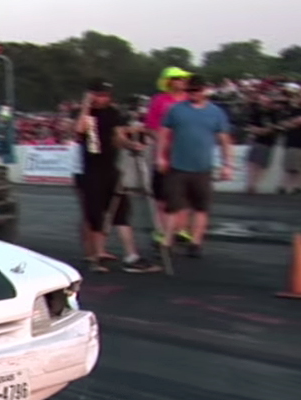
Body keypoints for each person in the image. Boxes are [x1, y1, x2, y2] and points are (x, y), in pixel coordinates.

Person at [72, 79, 159, 274]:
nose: (104, 98)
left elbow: (118, 135)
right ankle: (94, 255)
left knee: (121, 211)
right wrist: (86, 106)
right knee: (94, 214)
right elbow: (78, 130)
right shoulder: (85, 113)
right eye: (99, 94)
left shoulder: (113, 113)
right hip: (89, 170)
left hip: (110, 168)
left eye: (106, 94)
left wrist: (130, 144)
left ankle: (131, 255)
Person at [155, 75, 233, 259]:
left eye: (196, 90)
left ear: (204, 90)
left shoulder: (216, 113)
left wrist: (227, 164)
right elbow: (163, 134)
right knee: (172, 206)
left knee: (201, 207)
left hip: (202, 168)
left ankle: (196, 242)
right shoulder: (176, 110)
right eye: (190, 90)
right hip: (178, 166)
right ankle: (167, 241)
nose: (193, 94)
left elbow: (224, 140)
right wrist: (160, 156)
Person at [144, 66, 193, 245]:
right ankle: (163, 230)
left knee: (186, 193)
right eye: (178, 78)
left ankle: (181, 229)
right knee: (162, 195)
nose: (182, 81)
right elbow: (150, 127)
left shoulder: (190, 99)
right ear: (169, 81)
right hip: (164, 154)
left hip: (187, 153)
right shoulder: (159, 100)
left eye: (183, 78)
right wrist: (163, 143)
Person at [243, 94, 281, 193]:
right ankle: (250, 184)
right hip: (256, 140)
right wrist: (258, 130)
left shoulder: (274, 114)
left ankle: (255, 184)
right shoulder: (256, 112)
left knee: (260, 165)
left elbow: (273, 128)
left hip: (267, 142)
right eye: (262, 101)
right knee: (251, 163)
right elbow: (250, 126)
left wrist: (261, 130)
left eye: (266, 101)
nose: (264, 103)